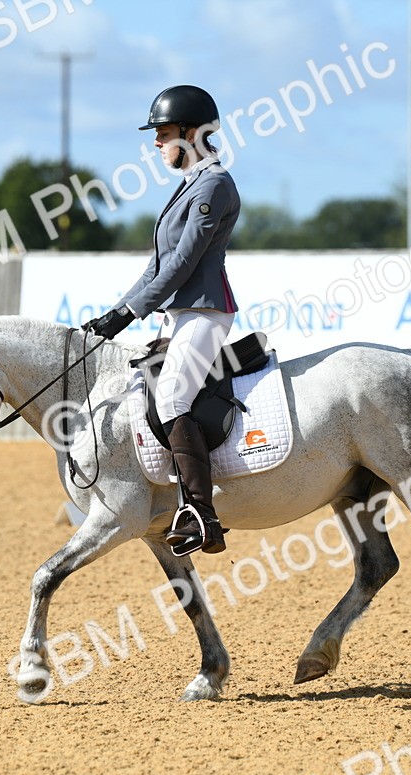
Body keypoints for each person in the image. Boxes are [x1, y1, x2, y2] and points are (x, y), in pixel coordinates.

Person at [83, 85, 240, 556]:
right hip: (180, 312)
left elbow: (183, 264)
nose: (156, 142)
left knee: (172, 396)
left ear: (192, 134)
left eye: (164, 133)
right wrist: (117, 311)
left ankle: (202, 515)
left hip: (205, 310)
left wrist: (132, 312)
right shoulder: (190, 185)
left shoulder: (214, 185)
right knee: (145, 391)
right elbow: (156, 266)